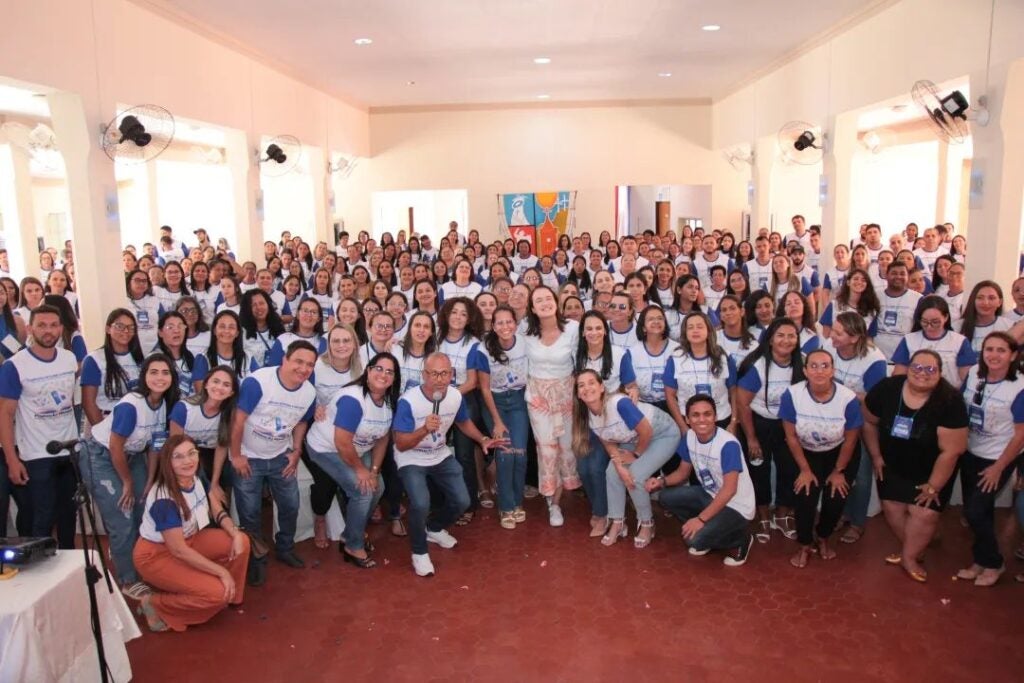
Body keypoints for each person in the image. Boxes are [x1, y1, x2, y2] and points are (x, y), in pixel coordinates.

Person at [392, 353, 502, 577]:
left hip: (439, 454)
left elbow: (463, 422)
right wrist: (424, 429)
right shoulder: (408, 401)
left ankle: (433, 528)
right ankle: (419, 552)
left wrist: (482, 439)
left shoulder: (454, 396)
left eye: (444, 373)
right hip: (411, 457)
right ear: (424, 375)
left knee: (463, 500)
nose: (439, 379)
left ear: (452, 375)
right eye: (434, 374)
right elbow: (401, 444)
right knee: (421, 503)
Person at [863, 349, 968, 583]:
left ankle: (909, 557)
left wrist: (933, 486)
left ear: (940, 373)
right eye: (917, 367)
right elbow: (869, 422)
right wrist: (876, 456)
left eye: (931, 369)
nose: (922, 373)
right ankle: (914, 549)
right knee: (892, 508)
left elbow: (952, 451)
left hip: (933, 469)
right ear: (907, 368)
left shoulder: (950, 401)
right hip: (892, 463)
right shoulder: (888, 388)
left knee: (924, 513)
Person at [81, 353, 179, 597]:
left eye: (165, 372)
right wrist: (127, 482)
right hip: (101, 457)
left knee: (141, 509)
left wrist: (149, 480)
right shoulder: (130, 405)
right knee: (122, 517)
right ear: (144, 376)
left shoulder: (163, 403)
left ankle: (135, 561)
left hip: (132, 456)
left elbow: (155, 446)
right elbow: (115, 446)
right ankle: (127, 579)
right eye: (153, 372)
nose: (160, 377)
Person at [132, 435, 250, 632]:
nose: (187, 461)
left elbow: (216, 508)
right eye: (178, 457)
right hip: (156, 555)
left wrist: (235, 532)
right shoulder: (165, 500)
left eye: (191, 453)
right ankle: (154, 603)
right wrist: (221, 572)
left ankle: (230, 594)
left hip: (189, 539)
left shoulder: (196, 476)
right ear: (167, 462)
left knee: (242, 542)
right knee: (215, 593)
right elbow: (178, 550)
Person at [229, 341, 317, 586]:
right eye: (299, 361)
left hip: (281, 456)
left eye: (310, 364)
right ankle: (256, 559)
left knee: (290, 505)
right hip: (249, 456)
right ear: (284, 360)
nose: (303, 368)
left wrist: (297, 450)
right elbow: (238, 422)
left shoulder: (309, 392)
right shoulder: (258, 382)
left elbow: (301, 422)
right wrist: (236, 456)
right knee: (250, 513)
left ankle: (285, 547)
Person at [306, 352, 399, 568]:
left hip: (357, 448)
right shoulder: (353, 399)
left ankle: (350, 533)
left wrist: (374, 470)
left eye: (389, 371)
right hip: (326, 448)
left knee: (378, 486)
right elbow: (342, 442)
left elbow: (383, 438)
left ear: (394, 378)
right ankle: (353, 544)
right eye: (378, 368)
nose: (383, 374)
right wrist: (360, 470)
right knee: (363, 489)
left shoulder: (387, 402)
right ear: (368, 371)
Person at [0, 306, 80, 548]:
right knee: (42, 519)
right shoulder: (15, 365)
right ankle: (40, 576)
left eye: (53, 325)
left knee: (69, 516)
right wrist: (12, 460)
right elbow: (5, 414)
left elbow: (73, 403)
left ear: (61, 328)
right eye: (42, 325)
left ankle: (69, 569)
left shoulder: (69, 359)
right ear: (30, 328)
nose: (48, 331)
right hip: (36, 455)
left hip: (69, 451)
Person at [574, 370, 680, 548]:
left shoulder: (619, 403)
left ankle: (647, 523)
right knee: (612, 473)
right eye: (581, 385)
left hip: (662, 434)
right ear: (578, 393)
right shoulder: (590, 417)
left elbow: (646, 430)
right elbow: (608, 442)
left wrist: (636, 455)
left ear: (601, 387)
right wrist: (620, 466)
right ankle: (617, 521)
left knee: (636, 476)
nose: (587, 388)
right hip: (635, 439)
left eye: (591, 383)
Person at [646, 395, 755, 566]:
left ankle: (741, 539)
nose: (702, 419)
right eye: (695, 415)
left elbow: (730, 490)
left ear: (715, 417)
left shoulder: (728, 444)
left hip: (736, 505)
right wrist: (661, 482)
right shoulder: (689, 437)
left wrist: (701, 520)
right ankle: (710, 532)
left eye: (707, 414)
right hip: (710, 494)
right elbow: (682, 473)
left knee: (694, 540)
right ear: (687, 419)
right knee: (665, 497)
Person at [779, 349, 863, 568]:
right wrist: (805, 470)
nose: (819, 371)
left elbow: (851, 440)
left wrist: (838, 471)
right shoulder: (792, 395)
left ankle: (823, 537)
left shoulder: (848, 399)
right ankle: (805, 544)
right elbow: (791, 436)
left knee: (836, 498)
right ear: (805, 371)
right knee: (805, 498)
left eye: (825, 365)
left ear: (833, 370)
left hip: (840, 453)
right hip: (805, 453)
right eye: (813, 366)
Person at [956, 332, 1024, 586]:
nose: (993, 355)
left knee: (975, 511)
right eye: (989, 349)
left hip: (998, 457)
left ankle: (995, 563)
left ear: (1013, 355)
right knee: (978, 513)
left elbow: (1020, 436)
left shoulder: (1019, 387)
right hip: (971, 452)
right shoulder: (975, 373)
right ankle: (980, 560)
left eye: (1001, 350)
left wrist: (998, 468)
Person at [736, 318, 805, 542]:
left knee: (790, 469)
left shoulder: (802, 364)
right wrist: (751, 438)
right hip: (760, 424)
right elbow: (743, 403)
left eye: (791, 335)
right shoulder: (758, 366)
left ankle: (783, 514)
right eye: (780, 335)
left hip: (788, 426)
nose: (786, 340)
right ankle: (763, 516)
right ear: (771, 340)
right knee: (760, 471)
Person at [823, 312, 887, 545]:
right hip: (831, 421)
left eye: (839, 333)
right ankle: (842, 513)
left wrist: (843, 394)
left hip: (861, 424)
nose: (832, 336)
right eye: (833, 329)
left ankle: (858, 521)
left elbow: (876, 399)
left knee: (859, 474)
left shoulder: (873, 359)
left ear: (854, 337)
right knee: (838, 471)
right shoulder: (828, 348)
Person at [523, 285, 581, 526]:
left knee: (566, 447)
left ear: (556, 302)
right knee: (547, 450)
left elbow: (580, 363)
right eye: (539, 300)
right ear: (533, 308)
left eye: (549, 298)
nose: (545, 303)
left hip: (567, 397)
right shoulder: (525, 332)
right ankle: (552, 502)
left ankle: (565, 488)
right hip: (538, 398)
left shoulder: (573, 329)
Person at [472, 306, 529, 529]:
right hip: (494, 402)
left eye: (509, 322)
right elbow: (484, 389)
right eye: (500, 323)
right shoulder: (483, 348)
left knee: (520, 454)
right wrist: (496, 421)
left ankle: (517, 503)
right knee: (505, 454)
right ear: (493, 326)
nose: (505, 327)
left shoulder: (525, 343)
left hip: (518, 400)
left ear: (515, 323)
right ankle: (505, 507)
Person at [169, 366, 238, 508]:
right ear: (206, 384)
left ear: (231, 392)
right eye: (216, 381)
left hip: (212, 454)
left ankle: (224, 517)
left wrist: (214, 483)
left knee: (230, 476)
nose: (219, 387)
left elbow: (222, 446)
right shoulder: (184, 408)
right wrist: (207, 486)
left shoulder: (229, 413)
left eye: (226, 385)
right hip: (184, 453)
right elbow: (174, 447)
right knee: (200, 484)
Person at [892, 296, 975, 386]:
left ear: (946, 317)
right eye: (924, 322)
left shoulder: (959, 341)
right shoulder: (909, 340)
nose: (929, 326)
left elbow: (967, 379)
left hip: (948, 394)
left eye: (935, 322)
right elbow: (899, 377)